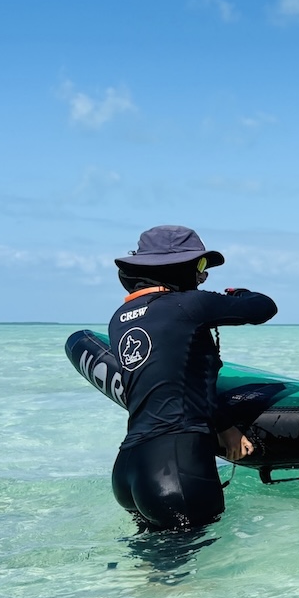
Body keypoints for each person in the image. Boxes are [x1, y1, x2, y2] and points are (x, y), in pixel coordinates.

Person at [109, 225, 278, 531]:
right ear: (175, 267)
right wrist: (238, 293)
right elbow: (263, 307)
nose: (203, 276)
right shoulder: (188, 305)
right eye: (199, 265)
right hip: (174, 468)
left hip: (129, 468)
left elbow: (176, 379)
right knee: (197, 563)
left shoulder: (120, 318)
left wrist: (224, 426)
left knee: (153, 558)